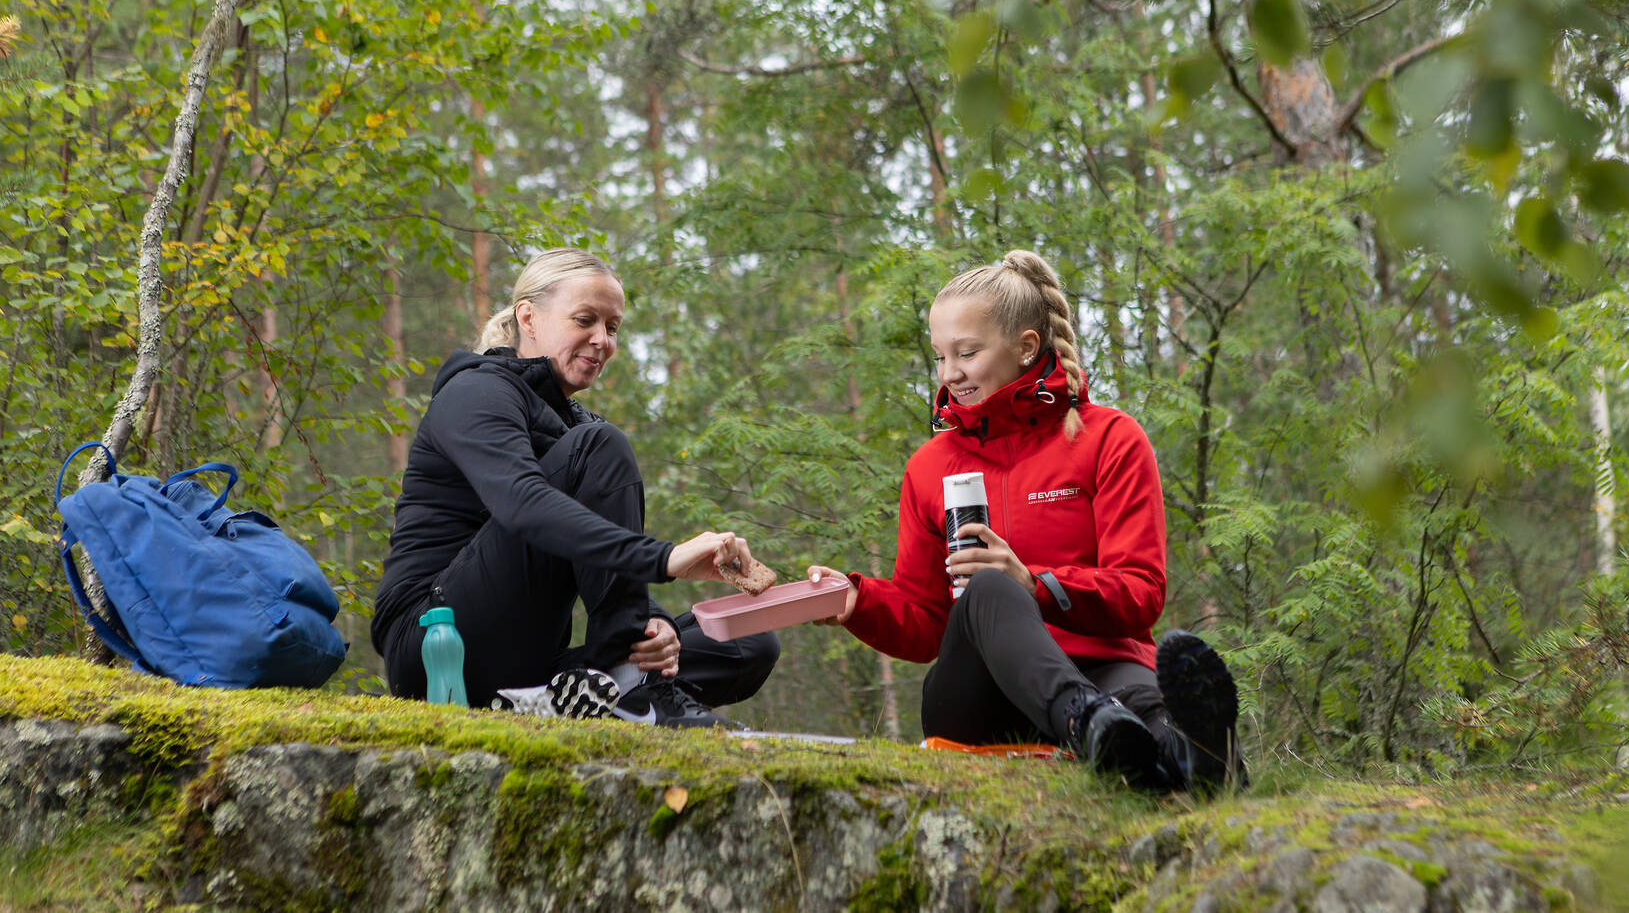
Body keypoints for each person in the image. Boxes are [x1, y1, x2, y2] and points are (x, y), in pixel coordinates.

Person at [809, 249, 1243, 792]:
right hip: (978, 696)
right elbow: (927, 625)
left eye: (966, 352)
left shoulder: (1109, 438)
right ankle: (1089, 724)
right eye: (940, 356)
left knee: (1149, 710)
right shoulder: (929, 468)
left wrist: (1036, 585)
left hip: (1105, 668)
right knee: (987, 589)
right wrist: (859, 602)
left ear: (1026, 347)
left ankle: (1195, 759)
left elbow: (1140, 593)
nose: (950, 373)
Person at [371, 247, 780, 727]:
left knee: (748, 641)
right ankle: (636, 691)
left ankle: (592, 696)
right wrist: (662, 558)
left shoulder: (578, 429)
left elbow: (598, 566)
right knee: (599, 445)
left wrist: (655, 627)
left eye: (612, 328)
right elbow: (525, 505)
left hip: (525, 661)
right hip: (434, 644)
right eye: (585, 319)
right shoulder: (476, 392)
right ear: (529, 317)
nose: (601, 340)